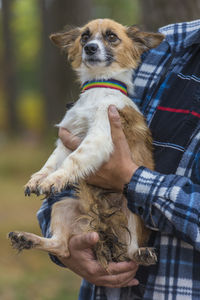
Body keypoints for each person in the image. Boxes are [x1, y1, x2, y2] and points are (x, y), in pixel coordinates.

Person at [37, 19, 200, 300]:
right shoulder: (163, 46)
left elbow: (114, 168)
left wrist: (132, 179)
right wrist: (68, 243)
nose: (93, 45)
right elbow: (78, 148)